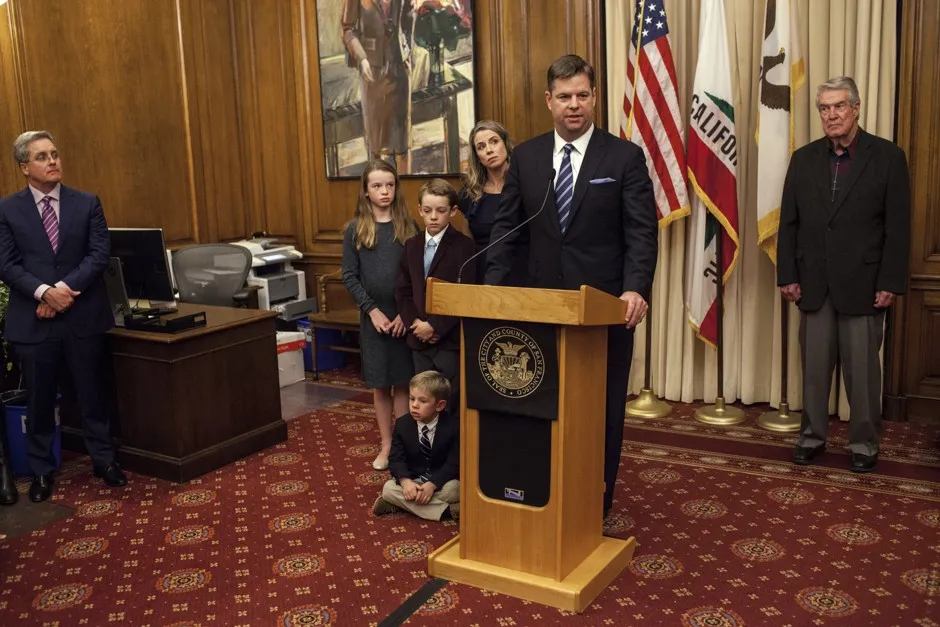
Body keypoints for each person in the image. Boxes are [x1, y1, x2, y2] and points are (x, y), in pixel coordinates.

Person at [484, 55, 658, 518]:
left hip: (605, 312)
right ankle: (545, 496)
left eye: (582, 95)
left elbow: (641, 231)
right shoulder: (527, 157)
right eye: (564, 97)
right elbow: (506, 233)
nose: (574, 105)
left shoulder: (623, 157)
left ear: (595, 97)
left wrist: (636, 287)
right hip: (541, 312)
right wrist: (489, 296)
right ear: (549, 101)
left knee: (600, 413)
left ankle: (593, 505)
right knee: (542, 406)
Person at [778, 76, 910, 473]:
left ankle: (865, 444)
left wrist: (890, 281)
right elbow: (790, 224)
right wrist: (788, 274)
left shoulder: (887, 157)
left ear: (856, 108)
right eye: (824, 108)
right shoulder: (803, 159)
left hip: (865, 286)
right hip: (814, 284)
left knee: (864, 374)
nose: (831, 115)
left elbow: (897, 227)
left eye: (838, 106)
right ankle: (812, 438)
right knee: (814, 371)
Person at [0, 131, 127, 502]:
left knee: (92, 392)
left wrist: (61, 293)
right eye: (42, 156)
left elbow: (98, 254)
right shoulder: (7, 210)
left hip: (82, 315)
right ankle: (41, 471)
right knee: (39, 400)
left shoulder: (86, 203)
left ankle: (104, 461)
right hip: (34, 320)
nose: (53, 161)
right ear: (25, 167)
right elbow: (6, 264)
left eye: (55, 154)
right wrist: (43, 293)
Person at [342, 159, 418, 471]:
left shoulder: (409, 226)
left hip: (402, 317)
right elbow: (350, 276)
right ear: (365, 191)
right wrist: (372, 311)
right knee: (380, 384)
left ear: (396, 188)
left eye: (389, 184)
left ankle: (402, 443)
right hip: (373, 319)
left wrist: (405, 313)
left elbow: (416, 275)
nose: (384, 191)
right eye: (377, 186)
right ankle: (386, 445)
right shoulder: (355, 230)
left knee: (402, 384)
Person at [395, 178, 476, 408]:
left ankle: (450, 444)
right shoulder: (411, 245)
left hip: (448, 341)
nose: (433, 217)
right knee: (422, 401)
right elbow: (403, 290)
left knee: (448, 401)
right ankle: (425, 443)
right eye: (427, 210)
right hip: (418, 338)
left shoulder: (465, 247)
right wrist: (416, 323)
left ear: (453, 211)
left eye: (440, 211)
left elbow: (464, 296)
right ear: (419, 210)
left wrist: (435, 327)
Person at [373, 370, 459, 521]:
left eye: (422, 401)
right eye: (412, 399)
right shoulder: (402, 424)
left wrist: (432, 485)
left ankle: (399, 504)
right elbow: (396, 459)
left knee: (455, 489)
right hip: (413, 480)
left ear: (440, 405)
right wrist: (406, 482)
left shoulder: (453, 426)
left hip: (440, 481)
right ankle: (448, 512)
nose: (414, 405)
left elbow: (454, 463)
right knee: (388, 489)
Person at [341, 0, 415, 173]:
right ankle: (378, 187)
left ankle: (406, 187)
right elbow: (347, 30)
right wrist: (361, 58)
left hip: (399, 69)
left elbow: (409, 17)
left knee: (403, 142)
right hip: (372, 70)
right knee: (376, 143)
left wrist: (408, 51)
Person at [457, 120, 527, 284]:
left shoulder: (527, 185)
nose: (489, 150)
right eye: (481, 147)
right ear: (477, 157)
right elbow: (469, 243)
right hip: (484, 275)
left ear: (506, 145)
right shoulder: (469, 195)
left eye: (494, 142)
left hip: (524, 274)